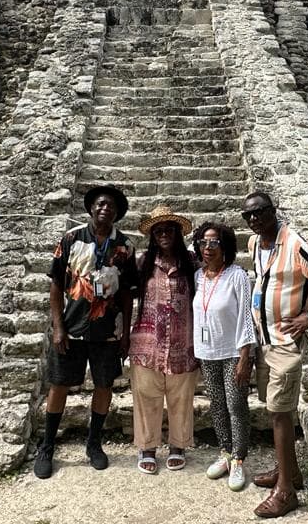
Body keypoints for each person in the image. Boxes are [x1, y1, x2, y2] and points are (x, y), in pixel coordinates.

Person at [244, 191, 308, 518]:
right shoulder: (254, 244)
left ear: (274, 211)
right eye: (248, 215)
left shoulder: (294, 243)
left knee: (279, 410)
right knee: (278, 410)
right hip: (265, 340)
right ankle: (290, 472)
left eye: (260, 212)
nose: (254, 219)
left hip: (286, 342)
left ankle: (285, 492)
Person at [33, 184, 138, 479]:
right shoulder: (71, 239)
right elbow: (55, 284)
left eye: (111, 206)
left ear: (117, 213)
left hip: (108, 330)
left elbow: (129, 293)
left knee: (104, 385)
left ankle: (94, 443)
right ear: (92, 208)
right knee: (59, 385)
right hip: (72, 327)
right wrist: (57, 327)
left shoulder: (125, 247)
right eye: (100, 204)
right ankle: (48, 446)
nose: (105, 209)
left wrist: (126, 333)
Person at [129, 204, 199, 475]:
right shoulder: (142, 263)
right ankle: (147, 447)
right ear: (153, 235)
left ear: (178, 233)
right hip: (148, 343)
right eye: (159, 230)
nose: (164, 234)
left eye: (169, 229)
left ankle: (178, 445)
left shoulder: (192, 263)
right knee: (147, 396)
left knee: (182, 398)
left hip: (184, 342)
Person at [191, 221, 256, 492]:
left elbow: (245, 318)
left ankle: (239, 459)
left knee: (236, 406)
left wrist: (245, 357)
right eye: (203, 243)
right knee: (217, 405)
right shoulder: (198, 276)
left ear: (225, 246)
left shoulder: (237, 276)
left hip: (232, 351)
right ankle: (225, 453)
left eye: (214, 242)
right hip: (208, 352)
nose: (208, 248)